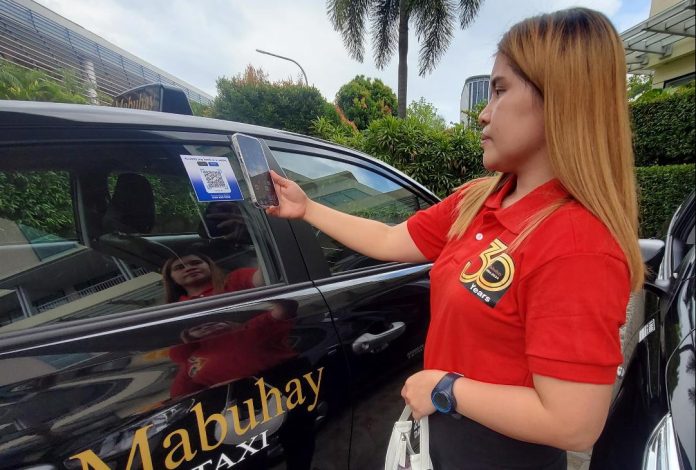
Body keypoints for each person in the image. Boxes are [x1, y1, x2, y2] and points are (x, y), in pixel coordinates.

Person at [266, 7, 643, 469]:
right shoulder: (480, 199)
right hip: (440, 440)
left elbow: (574, 422)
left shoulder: (578, 244)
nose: (483, 114)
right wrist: (308, 209)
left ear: (560, 99)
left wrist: (445, 388)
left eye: (500, 90)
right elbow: (388, 239)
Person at [161, 252, 264, 303]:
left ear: (210, 266)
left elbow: (264, 278)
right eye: (179, 267)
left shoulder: (235, 278)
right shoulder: (177, 308)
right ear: (171, 278)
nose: (189, 268)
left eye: (196, 263)